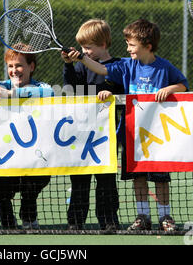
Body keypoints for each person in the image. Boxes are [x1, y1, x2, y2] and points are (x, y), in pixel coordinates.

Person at [65, 19, 189, 231]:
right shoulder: (127, 66)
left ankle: (165, 217)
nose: (127, 48)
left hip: (159, 134)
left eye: (131, 45)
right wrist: (82, 58)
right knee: (137, 176)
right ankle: (143, 217)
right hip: (132, 133)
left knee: (160, 179)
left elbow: (183, 85)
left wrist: (170, 89)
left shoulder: (164, 67)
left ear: (147, 46)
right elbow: (102, 70)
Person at [61, 19, 123, 231]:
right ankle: (75, 221)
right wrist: (68, 65)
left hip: (107, 134)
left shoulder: (118, 65)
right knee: (79, 177)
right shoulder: (80, 66)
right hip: (81, 132)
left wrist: (112, 94)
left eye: (88, 47)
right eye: (82, 47)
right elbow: (70, 89)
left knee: (106, 179)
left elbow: (123, 91)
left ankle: (108, 220)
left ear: (104, 44)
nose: (84, 51)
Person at [0, 44, 52, 229]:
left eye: (19, 65)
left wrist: (12, 94)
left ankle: (29, 214)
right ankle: (5, 209)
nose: (14, 70)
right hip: (5, 159)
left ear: (32, 67)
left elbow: (50, 92)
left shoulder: (41, 88)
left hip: (33, 159)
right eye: (10, 66)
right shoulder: (0, 86)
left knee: (36, 180)